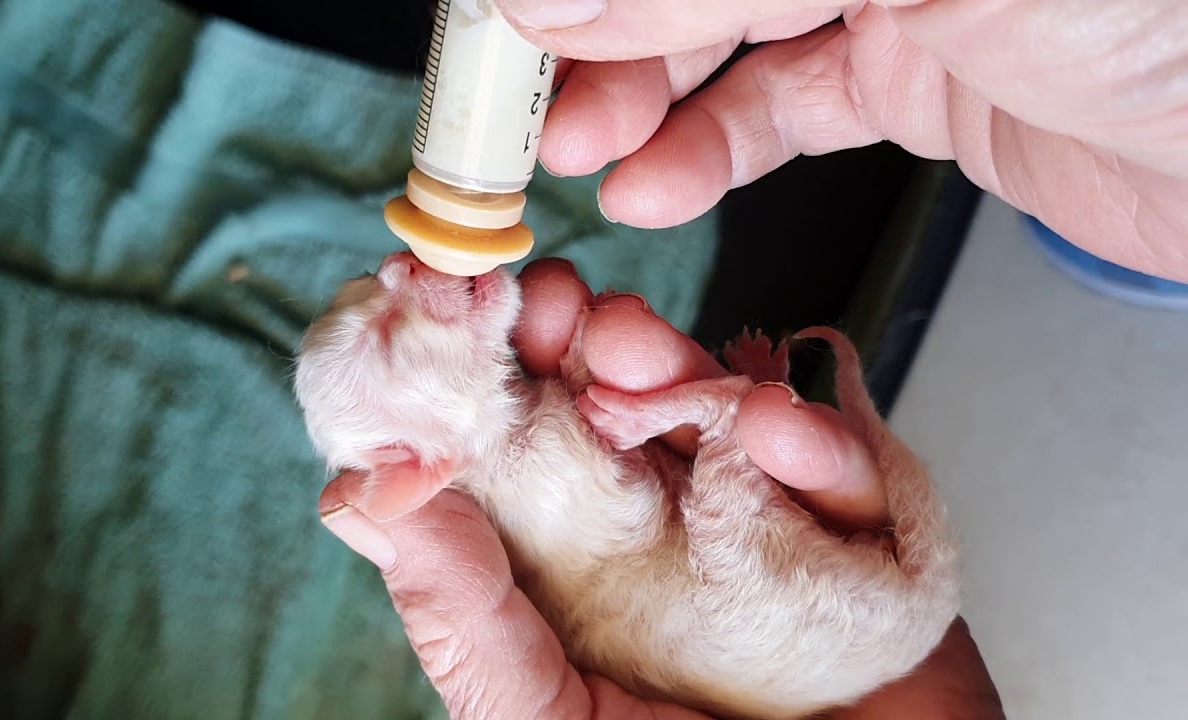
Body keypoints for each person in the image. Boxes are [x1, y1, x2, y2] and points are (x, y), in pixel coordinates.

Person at [318, 1, 1187, 717]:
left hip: (828, 648)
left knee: (682, 418)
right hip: (793, 635)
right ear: (418, 466)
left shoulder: (494, 452)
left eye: (367, 282)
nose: (399, 270)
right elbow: (621, 501)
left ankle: (742, 408)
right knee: (717, 455)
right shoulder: (522, 473)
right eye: (392, 326)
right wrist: (671, 413)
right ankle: (731, 408)